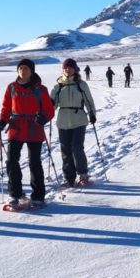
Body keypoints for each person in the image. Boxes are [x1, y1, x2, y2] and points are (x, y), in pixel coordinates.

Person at [0, 58, 56, 209]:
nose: (23, 71)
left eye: (26, 69)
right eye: (20, 68)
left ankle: (38, 196)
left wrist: (44, 118)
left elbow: (49, 110)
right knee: (11, 161)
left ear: (32, 71)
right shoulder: (12, 88)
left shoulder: (40, 89)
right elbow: (6, 107)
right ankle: (14, 194)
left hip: (34, 127)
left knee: (34, 162)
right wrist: (2, 121)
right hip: (16, 127)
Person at [51, 58, 97, 188]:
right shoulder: (58, 85)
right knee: (65, 150)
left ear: (75, 69)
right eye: (65, 67)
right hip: (63, 121)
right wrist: (47, 110)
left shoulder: (81, 84)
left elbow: (89, 100)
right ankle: (69, 178)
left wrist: (92, 113)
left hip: (79, 120)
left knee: (77, 148)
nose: (67, 69)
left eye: (70, 67)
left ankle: (83, 175)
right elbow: (52, 104)